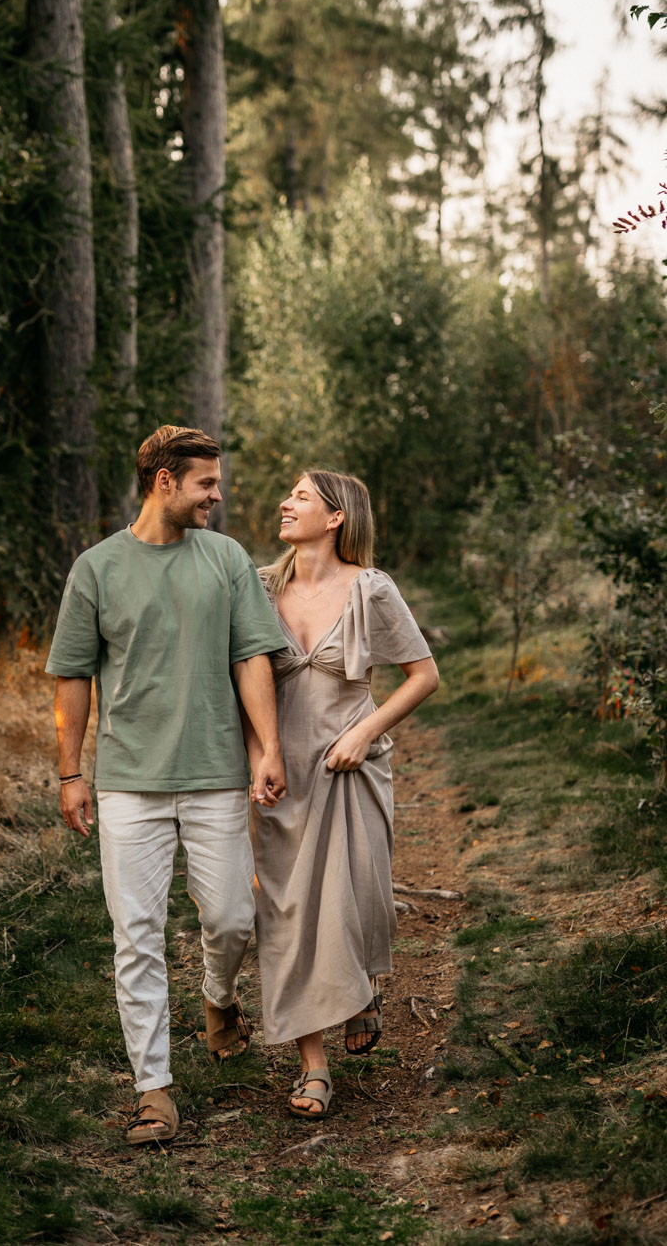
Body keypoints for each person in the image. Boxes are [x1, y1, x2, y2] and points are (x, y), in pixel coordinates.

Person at [46, 425, 287, 1145]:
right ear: (164, 482)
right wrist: (70, 773)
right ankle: (154, 1090)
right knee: (137, 937)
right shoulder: (96, 569)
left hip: (216, 773)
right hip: (128, 784)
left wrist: (269, 748)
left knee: (231, 919)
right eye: (207, 484)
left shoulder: (227, 558)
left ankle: (219, 998)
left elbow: (251, 658)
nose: (218, 495)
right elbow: (72, 678)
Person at [246, 470, 439, 1118]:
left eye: (300, 496)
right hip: (279, 770)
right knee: (289, 914)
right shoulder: (258, 589)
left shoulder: (370, 590)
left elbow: (423, 675)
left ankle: (358, 991)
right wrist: (256, 757)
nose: (285, 502)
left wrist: (365, 732)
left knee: (354, 901)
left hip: (350, 766)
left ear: (335, 517)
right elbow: (240, 684)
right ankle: (313, 1065)